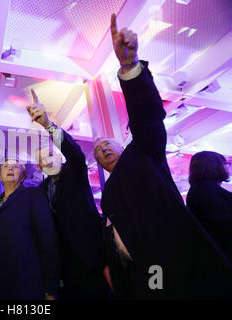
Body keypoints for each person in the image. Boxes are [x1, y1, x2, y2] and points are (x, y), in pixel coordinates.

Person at [92, 13, 232, 299]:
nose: (102, 149)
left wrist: (129, 67)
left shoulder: (143, 153)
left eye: (107, 143)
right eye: (96, 151)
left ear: (123, 145)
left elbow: (148, 117)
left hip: (170, 268)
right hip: (141, 278)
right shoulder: (108, 196)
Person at [27, 90, 108, 300]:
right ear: (38, 166)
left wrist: (47, 124)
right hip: (62, 263)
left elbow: (74, 152)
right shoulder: (39, 192)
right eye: (42, 159)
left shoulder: (74, 172)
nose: (47, 160)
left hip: (90, 256)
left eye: (51, 155)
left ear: (59, 156)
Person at [0, 159, 59, 300]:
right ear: (0, 176)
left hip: (19, 279)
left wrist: (50, 287)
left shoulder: (34, 196)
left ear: (23, 176)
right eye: (6, 166)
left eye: (15, 166)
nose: (10, 169)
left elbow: (47, 238)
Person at [187, 151, 231, 260]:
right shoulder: (206, 190)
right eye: (225, 164)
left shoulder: (202, 189)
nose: (228, 167)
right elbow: (223, 223)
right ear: (214, 166)